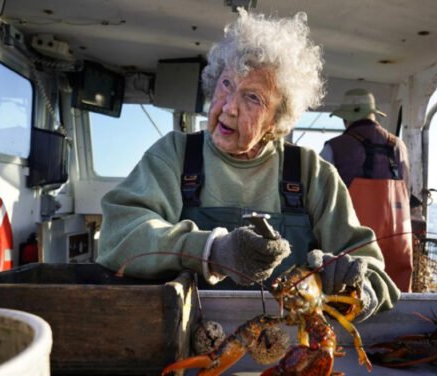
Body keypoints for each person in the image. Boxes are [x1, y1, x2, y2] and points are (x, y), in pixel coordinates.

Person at [98, 10, 399, 321]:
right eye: (226, 84)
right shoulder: (175, 154)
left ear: (277, 120)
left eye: (252, 98)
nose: (229, 107)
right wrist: (211, 251)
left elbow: (374, 276)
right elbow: (117, 237)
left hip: (289, 351)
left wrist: (356, 289)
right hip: (187, 339)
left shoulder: (312, 173)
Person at [320, 88, 414, 291]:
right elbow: (407, 189)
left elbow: (319, 196)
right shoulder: (400, 146)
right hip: (398, 241)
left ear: (347, 119)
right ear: (373, 115)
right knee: (398, 294)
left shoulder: (334, 147)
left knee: (354, 294)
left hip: (355, 243)